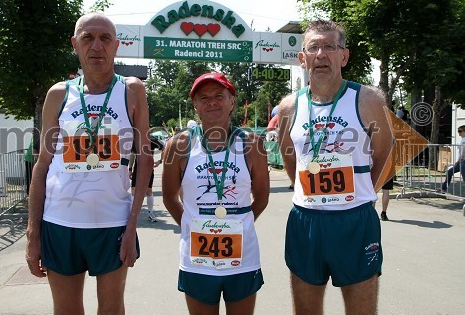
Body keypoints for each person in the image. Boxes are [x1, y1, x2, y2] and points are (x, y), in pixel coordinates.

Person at [25, 13, 153, 314]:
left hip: (112, 224)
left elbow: (145, 160)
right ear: (75, 44)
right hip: (59, 224)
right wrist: (33, 234)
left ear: (116, 46)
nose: (97, 46)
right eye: (88, 38)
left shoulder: (132, 89)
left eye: (105, 38)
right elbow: (42, 165)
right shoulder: (59, 94)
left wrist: (132, 226)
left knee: (111, 309)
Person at [278, 20, 393, 314]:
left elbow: (385, 152)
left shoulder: (367, 99)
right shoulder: (290, 106)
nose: (320, 54)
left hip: (355, 221)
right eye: (313, 47)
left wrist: (365, 189)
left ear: (344, 56)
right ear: (302, 58)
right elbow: (288, 154)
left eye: (329, 46)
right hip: (306, 221)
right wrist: (306, 188)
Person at [162, 73, 269, 315]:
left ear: (232, 101)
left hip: (242, 257)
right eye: (204, 97)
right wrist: (193, 226)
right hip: (197, 259)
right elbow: (169, 197)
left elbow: (261, 197)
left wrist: (239, 226)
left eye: (219, 96)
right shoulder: (178, 145)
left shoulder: (252, 144)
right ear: (196, 106)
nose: (212, 102)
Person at [130, 135, 165, 222]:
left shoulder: (152, 139)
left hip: (148, 168)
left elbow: (164, 148)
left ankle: (150, 213)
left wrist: (160, 161)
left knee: (148, 191)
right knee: (133, 191)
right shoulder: (135, 138)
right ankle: (131, 215)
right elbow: (133, 154)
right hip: (137, 168)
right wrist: (130, 168)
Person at [441, 125, 465, 193]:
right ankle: (444, 188)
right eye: (458, 131)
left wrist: (460, 159)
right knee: (449, 172)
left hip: (463, 161)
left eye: (460, 131)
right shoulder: (462, 139)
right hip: (461, 161)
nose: (459, 133)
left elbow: (464, 152)